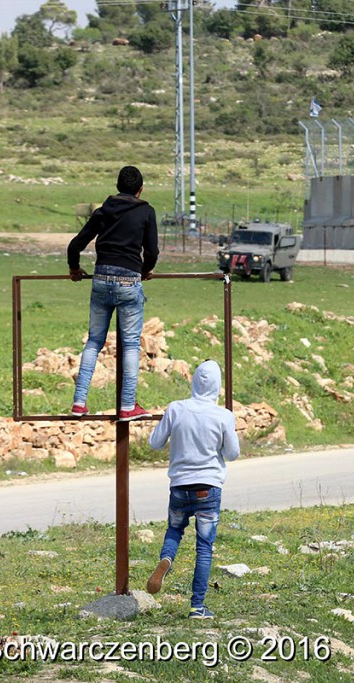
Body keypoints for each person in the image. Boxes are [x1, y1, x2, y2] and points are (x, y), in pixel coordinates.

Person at [146, 360, 240, 620]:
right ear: (217, 386)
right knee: (204, 547)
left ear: (194, 382)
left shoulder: (176, 409)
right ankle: (197, 606)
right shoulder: (223, 415)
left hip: (179, 487)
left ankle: (166, 560)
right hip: (208, 489)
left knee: (175, 530)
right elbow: (232, 454)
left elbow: (154, 443)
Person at [68, 165, 159, 422]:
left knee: (94, 342)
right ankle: (127, 406)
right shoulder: (146, 212)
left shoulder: (103, 212)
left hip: (100, 279)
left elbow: (75, 245)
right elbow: (152, 252)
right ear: (140, 190)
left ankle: (79, 402)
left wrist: (74, 268)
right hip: (129, 281)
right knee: (130, 345)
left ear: (118, 187)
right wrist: (144, 270)